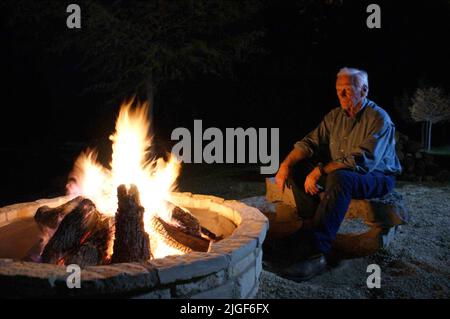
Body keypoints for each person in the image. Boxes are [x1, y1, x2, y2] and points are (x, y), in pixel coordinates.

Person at [274, 67, 402, 281]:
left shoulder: (379, 118)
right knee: (297, 168)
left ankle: (318, 253)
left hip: (377, 176)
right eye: (338, 90)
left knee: (340, 177)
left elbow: (361, 160)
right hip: (344, 172)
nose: (341, 95)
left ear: (364, 90)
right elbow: (309, 143)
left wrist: (321, 170)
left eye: (347, 90)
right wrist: (285, 165)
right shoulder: (335, 117)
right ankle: (308, 230)